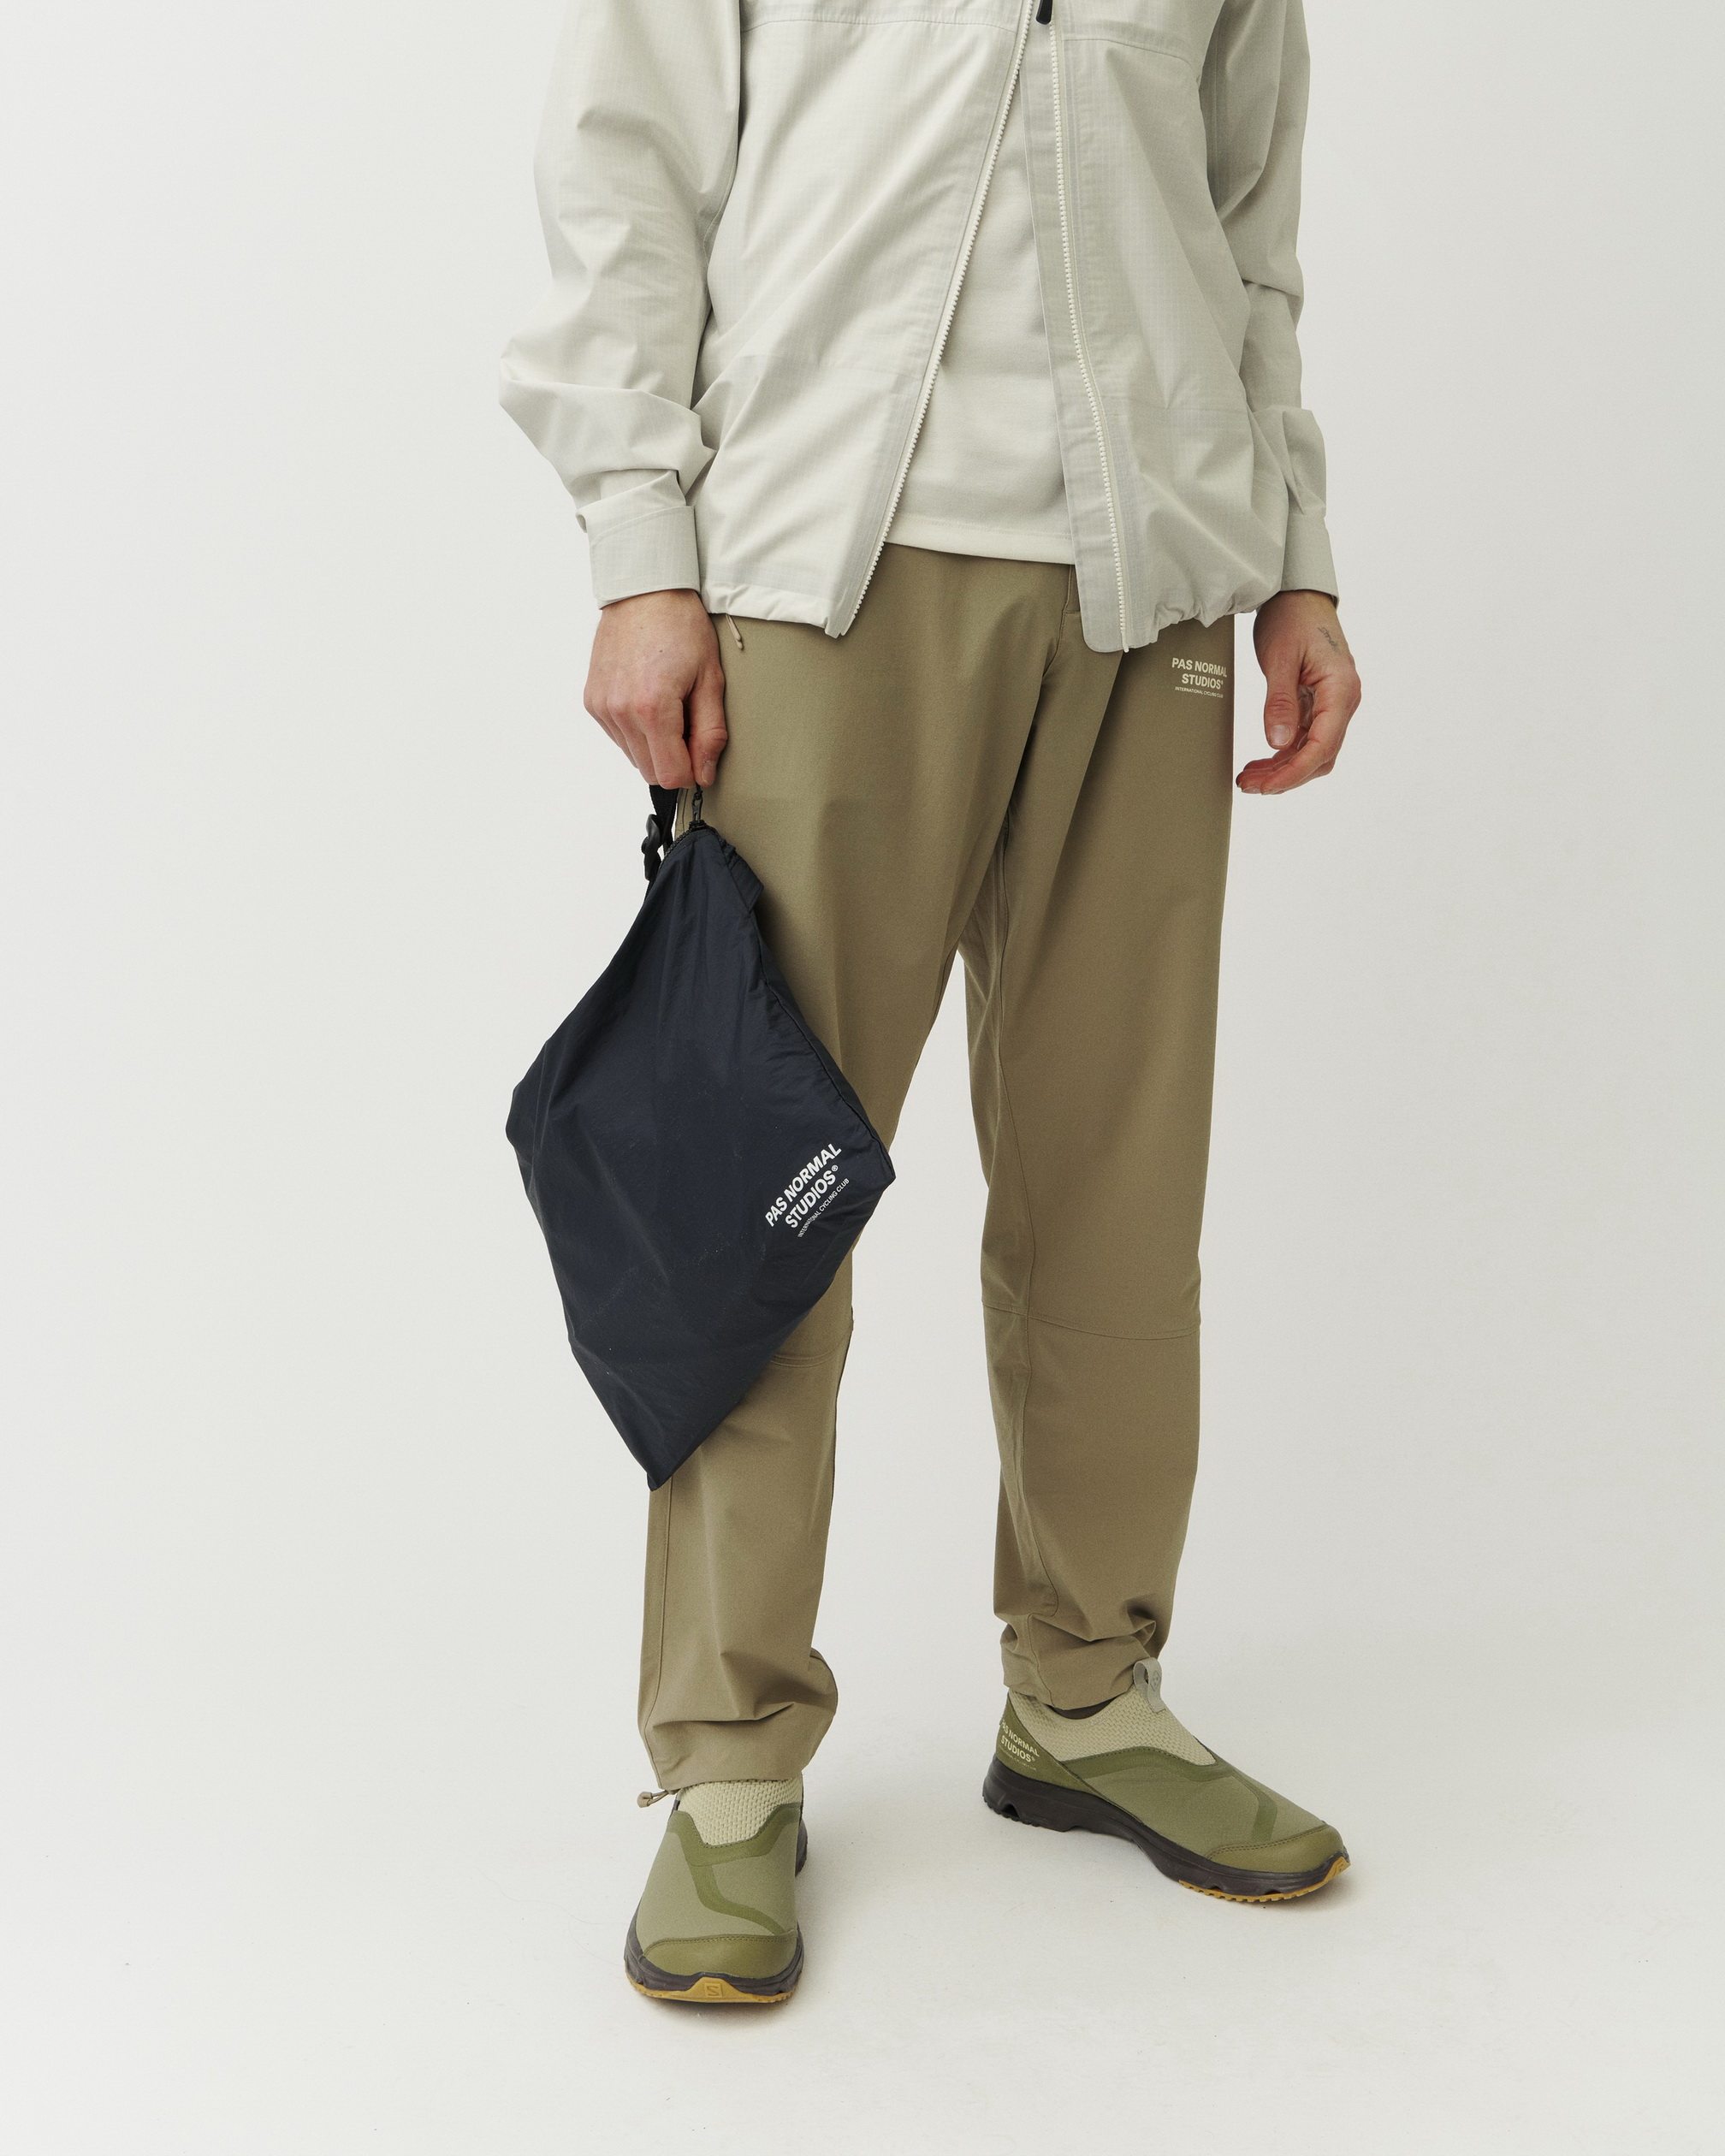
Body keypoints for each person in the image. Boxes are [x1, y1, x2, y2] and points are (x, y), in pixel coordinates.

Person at [501, 0, 1363, 2005]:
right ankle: (729, 1769)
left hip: (1152, 587)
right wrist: (639, 546)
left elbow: (1250, 233)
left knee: (1117, 1204)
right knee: (765, 1199)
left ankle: (1087, 1692)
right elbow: (629, 167)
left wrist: (1299, 560)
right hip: (827, 563)